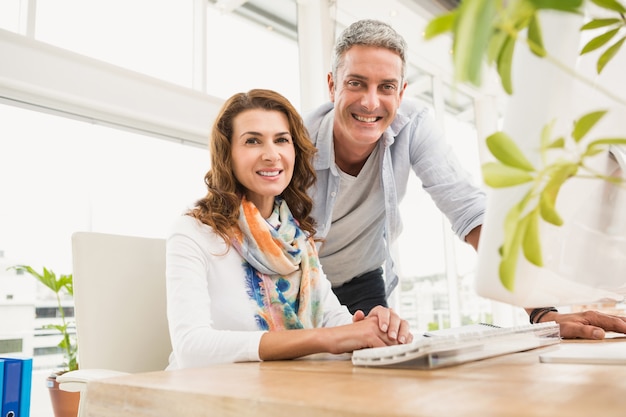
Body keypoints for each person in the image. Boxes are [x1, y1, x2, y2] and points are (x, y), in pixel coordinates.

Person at [303, 19, 626, 339]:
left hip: (363, 282)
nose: (370, 102)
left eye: (385, 86)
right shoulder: (294, 144)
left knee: (366, 379)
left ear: (400, 93)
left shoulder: (412, 125)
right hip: (299, 284)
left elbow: (468, 210)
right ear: (333, 85)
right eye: (356, 83)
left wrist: (542, 312)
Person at [165, 88, 412, 370]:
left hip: (283, 392)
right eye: (253, 141)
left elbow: (334, 320)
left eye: (281, 140)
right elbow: (190, 348)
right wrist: (322, 339)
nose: (271, 155)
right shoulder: (193, 232)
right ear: (227, 154)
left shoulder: (296, 237)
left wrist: (373, 325)